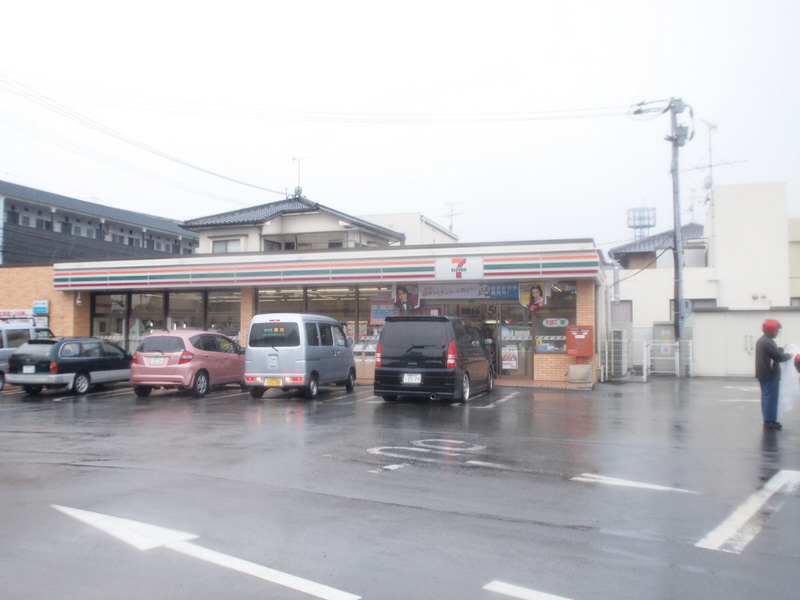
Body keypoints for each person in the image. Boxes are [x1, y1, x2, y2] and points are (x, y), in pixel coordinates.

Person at [755, 319, 791, 430]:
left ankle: (768, 420)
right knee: (770, 398)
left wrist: (782, 348)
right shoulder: (769, 342)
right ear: (771, 329)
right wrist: (789, 355)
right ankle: (770, 421)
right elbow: (778, 357)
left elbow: (773, 352)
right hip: (770, 374)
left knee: (766, 397)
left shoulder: (762, 340)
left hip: (764, 374)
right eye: (776, 329)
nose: (777, 332)